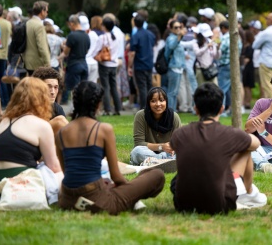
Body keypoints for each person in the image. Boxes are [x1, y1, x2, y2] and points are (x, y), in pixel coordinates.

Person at [56, 81, 165, 215]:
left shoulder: (61, 132)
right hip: (96, 199)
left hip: (67, 199)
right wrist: (129, 189)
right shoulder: (103, 129)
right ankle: (129, 199)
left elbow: (67, 172)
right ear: (98, 104)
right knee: (157, 175)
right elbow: (116, 177)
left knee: (142, 176)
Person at [170, 83, 266, 214]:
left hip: (182, 204)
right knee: (246, 150)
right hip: (219, 204)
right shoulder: (229, 133)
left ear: (196, 109)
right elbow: (256, 143)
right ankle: (249, 194)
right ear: (221, 109)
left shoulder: (179, 133)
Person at [0, 77, 62, 201]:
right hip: (21, 188)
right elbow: (54, 166)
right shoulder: (41, 125)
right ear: (41, 98)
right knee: (62, 175)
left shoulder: (4, 121)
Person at [130, 87, 181, 166]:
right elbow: (139, 143)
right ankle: (166, 162)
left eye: (161, 100)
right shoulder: (141, 115)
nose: (158, 104)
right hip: (147, 153)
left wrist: (172, 147)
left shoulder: (174, 117)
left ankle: (154, 162)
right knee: (136, 151)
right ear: (148, 103)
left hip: (169, 154)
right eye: (153, 101)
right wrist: (161, 147)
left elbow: (179, 143)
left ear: (166, 102)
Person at [89, 17, 122, 116]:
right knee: (113, 87)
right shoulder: (115, 37)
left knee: (105, 87)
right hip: (114, 64)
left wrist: (92, 56)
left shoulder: (102, 37)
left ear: (104, 26)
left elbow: (96, 50)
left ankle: (107, 109)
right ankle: (118, 108)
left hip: (104, 64)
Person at [60, 14, 90, 104]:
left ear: (72, 23)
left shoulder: (72, 35)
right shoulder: (86, 35)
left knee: (74, 89)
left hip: (74, 65)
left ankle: (75, 108)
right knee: (83, 88)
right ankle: (83, 107)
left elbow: (66, 52)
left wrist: (62, 46)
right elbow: (87, 51)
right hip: (84, 64)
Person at [252, 12, 272, 98]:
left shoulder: (266, 32)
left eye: (267, 18)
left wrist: (263, 45)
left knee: (268, 86)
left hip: (266, 61)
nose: (266, 20)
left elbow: (255, 45)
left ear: (271, 20)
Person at [128, 14, 156, 110]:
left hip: (140, 64)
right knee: (149, 86)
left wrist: (129, 66)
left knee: (142, 87)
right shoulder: (151, 34)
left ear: (135, 24)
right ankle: (151, 105)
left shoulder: (136, 36)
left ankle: (144, 107)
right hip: (149, 63)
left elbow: (132, 53)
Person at [164, 19, 187, 111]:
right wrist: (179, 36)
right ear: (171, 28)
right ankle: (170, 111)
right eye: (176, 27)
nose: (178, 29)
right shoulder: (171, 38)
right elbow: (171, 46)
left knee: (175, 92)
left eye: (179, 27)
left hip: (179, 67)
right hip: (173, 67)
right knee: (172, 92)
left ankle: (172, 112)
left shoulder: (178, 38)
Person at [23, 1, 51, 75]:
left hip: (27, 61)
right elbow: (42, 46)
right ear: (42, 11)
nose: (47, 13)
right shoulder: (39, 26)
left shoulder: (28, 23)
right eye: (47, 11)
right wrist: (48, 64)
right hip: (37, 63)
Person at [242, 30, 255, 109]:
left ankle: (247, 102)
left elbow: (247, 59)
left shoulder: (250, 47)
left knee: (247, 86)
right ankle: (246, 101)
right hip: (247, 67)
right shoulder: (246, 46)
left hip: (248, 68)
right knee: (245, 86)